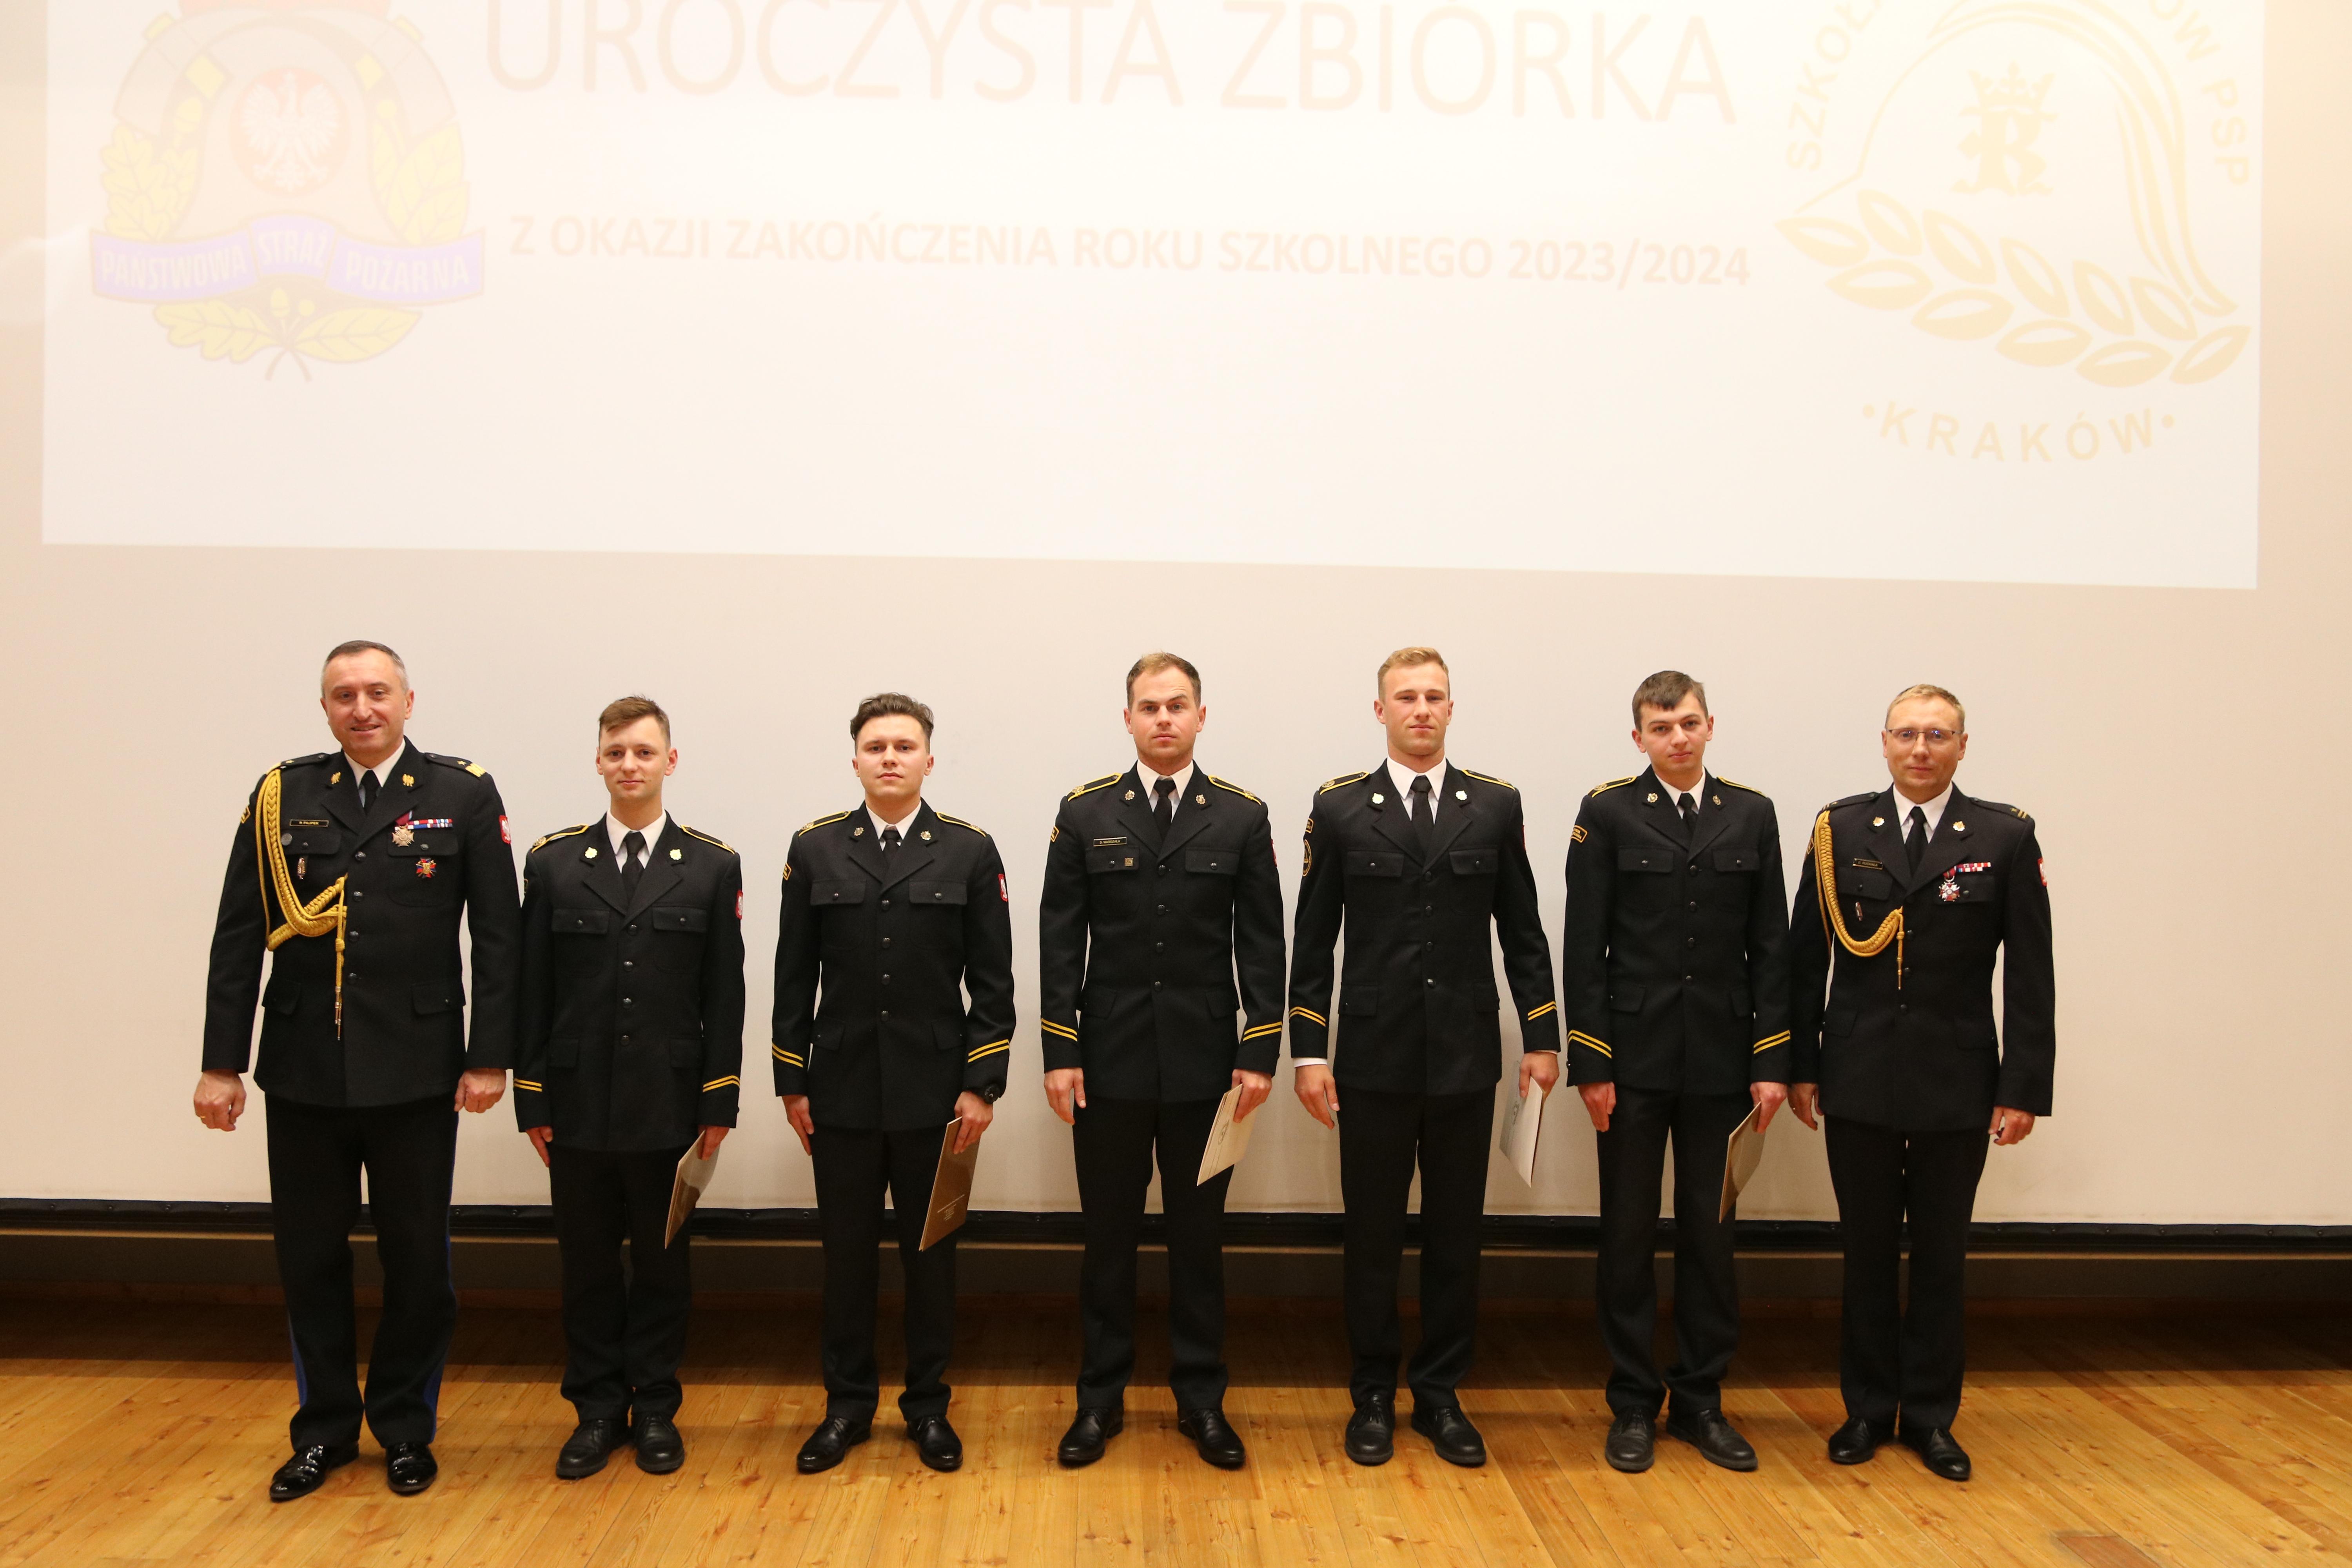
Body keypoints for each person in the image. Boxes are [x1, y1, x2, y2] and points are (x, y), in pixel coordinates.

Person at [194, 641, 519, 1502]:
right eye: (345, 695)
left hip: (417, 1070)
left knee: (418, 1262)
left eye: (378, 691)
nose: (362, 708)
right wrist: (221, 1064)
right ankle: (324, 1430)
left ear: (410, 700)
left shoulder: (461, 792)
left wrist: (490, 1055)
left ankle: (406, 1427)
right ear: (326, 708)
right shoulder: (283, 794)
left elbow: (498, 935)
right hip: (303, 1068)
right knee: (309, 1258)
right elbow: (239, 934)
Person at [1287, 646, 1560, 1469]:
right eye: (1405, 697)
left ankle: (1440, 1393)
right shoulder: (1340, 807)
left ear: (1451, 707)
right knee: (1372, 1235)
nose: (1421, 709)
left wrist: (1542, 1037)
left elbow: (1523, 929)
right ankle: (1372, 1392)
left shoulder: (1494, 805)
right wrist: (1307, 1051)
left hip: (1466, 1057)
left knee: (1455, 1236)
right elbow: (1313, 939)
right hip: (1371, 1057)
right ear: (1381, 710)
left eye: (1434, 696)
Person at [1788, 684, 2055, 1483]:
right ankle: (1868, 1410)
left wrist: (2023, 1086)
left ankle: (1933, 1416)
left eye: (1938, 735)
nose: (1921, 748)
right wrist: (1801, 1065)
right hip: (1858, 1074)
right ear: (1884, 742)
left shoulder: (2005, 836)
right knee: (1866, 1253)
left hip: (1956, 1079)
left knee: (1941, 1257)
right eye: (1906, 734)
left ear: (1963, 746)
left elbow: (2031, 974)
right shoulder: (1839, 831)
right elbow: (1805, 961)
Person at [1036, 652, 1285, 1471]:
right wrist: (1060, 1048)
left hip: (1208, 1067)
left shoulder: (1241, 816)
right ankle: (1098, 1400)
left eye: (1178, 705)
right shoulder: (1085, 813)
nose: (1164, 718)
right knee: (1107, 1241)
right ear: (1128, 719)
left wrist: (1259, 1049)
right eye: (1149, 706)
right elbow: (1059, 937)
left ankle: (1202, 1399)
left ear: (1201, 716)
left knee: (1198, 1242)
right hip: (1106, 1064)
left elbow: (1262, 942)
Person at [772, 693, 1016, 1475]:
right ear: (855, 760)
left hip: (937, 1095)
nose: (889, 757)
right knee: (845, 1259)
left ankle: (928, 1407)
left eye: (904, 746)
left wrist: (982, 1084)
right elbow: (791, 977)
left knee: (931, 1258)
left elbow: (994, 984)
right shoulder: (815, 849)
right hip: (839, 1092)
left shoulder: (969, 851)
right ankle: (846, 1406)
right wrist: (792, 1080)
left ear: (928, 760)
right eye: (875, 746)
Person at [1559, 671, 1791, 1475]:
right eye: (1661, 727)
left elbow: (1771, 944)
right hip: (1631, 1061)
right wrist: (1591, 1059)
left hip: (1724, 1064)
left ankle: (1700, 1400)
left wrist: (1771, 1059)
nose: (1678, 738)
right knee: (1626, 1235)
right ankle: (1632, 1401)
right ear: (1639, 739)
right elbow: (1583, 944)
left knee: (1711, 1235)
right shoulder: (1608, 812)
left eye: (1689, 723)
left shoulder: (1751, 813)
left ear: (1710, 725)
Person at [514, 696, 743, 1479]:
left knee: (662, 1266)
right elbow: (533, 989)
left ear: (670, 761)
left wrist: (718, 1102)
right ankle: (596, 1411)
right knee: (585, 1267)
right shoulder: (553, 863)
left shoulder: (711, 865)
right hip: (576, 1104)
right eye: (616, 752)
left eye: (644, 752)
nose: (630, 764)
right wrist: (532, 1098)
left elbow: (724, 994)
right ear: (599, 762)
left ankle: (654, 1410)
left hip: (669, 1105)